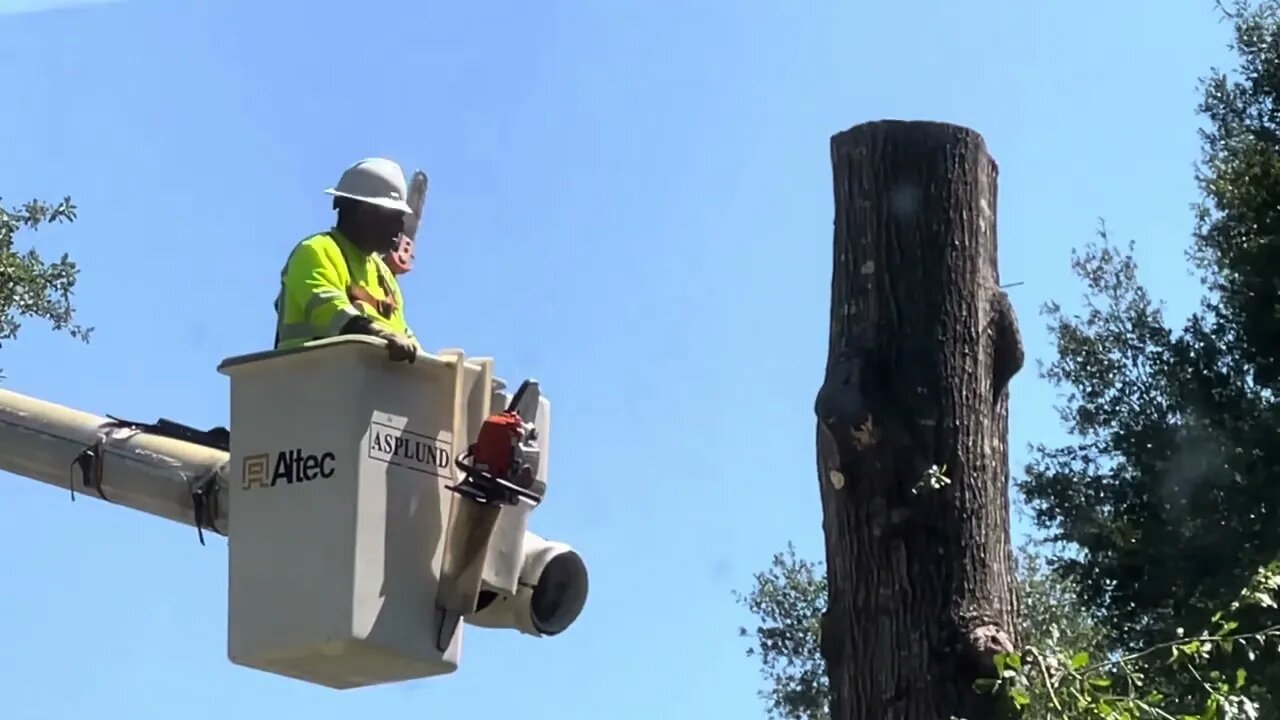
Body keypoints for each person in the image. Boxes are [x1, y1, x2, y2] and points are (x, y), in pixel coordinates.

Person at [273, 157, 419, 362]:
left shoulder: (384, 277)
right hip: (308, 379)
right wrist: (380, 335)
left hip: (363, 384)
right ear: (365, 213)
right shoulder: (315, 251)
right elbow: (333, 314)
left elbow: (404, 335)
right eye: (394, 216)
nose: (400, 228)